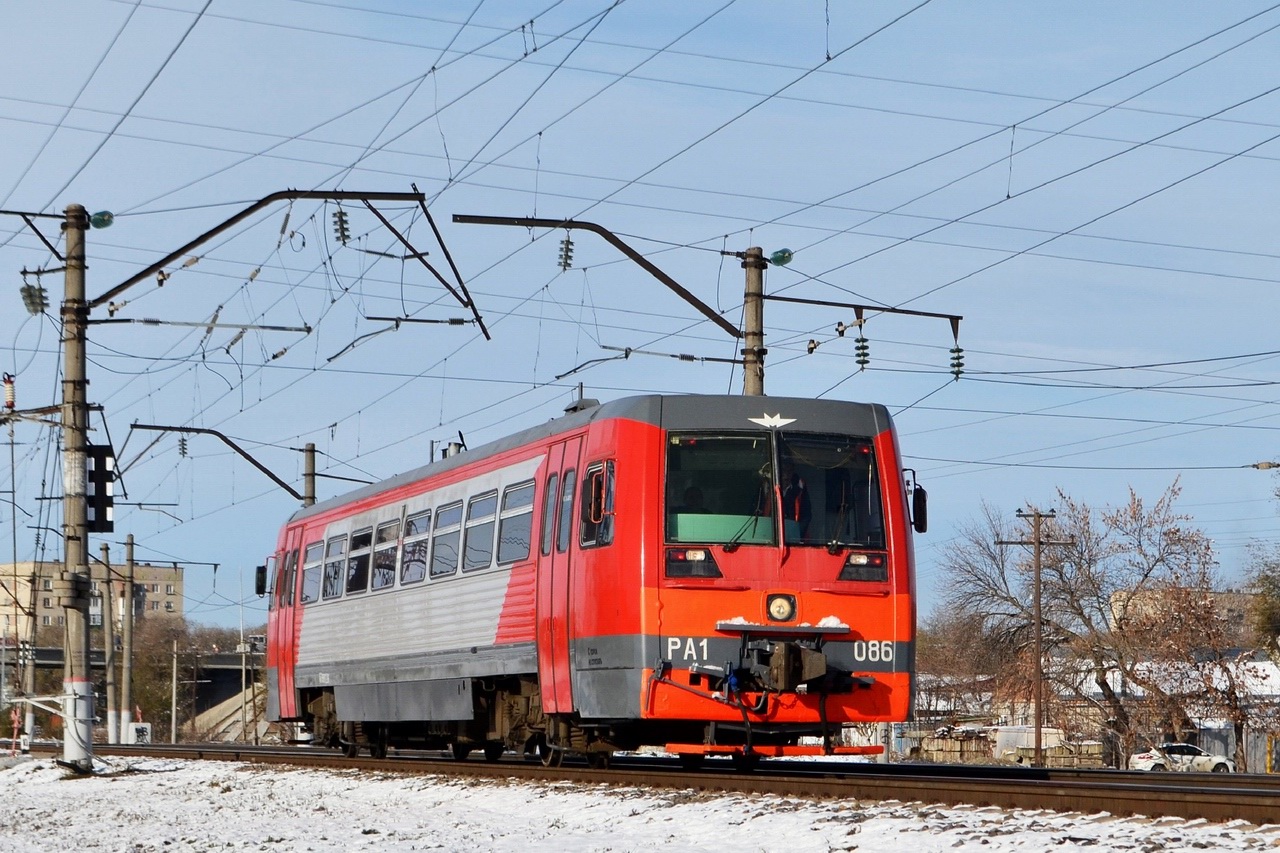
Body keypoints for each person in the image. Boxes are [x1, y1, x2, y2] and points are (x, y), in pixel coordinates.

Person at [781, 463, 811, 536]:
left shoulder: (799, 490)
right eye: (783, 470)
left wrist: (797, 535)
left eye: (789, 471)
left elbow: (806, 516)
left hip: (792, 537)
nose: (786, 474)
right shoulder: (764, 487)